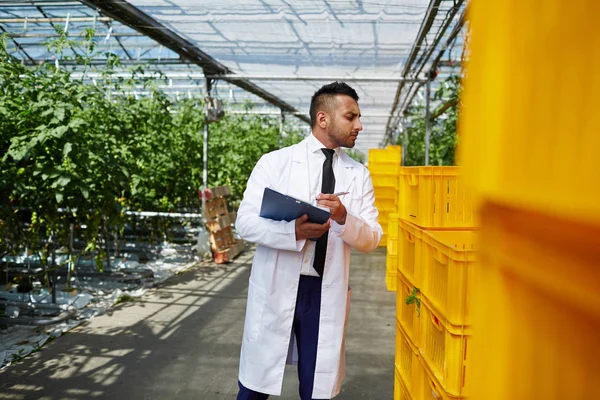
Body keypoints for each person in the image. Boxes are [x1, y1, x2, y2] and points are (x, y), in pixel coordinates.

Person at [235, 82, 383, 400]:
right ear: (323, 118)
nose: (359, 125)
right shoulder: (275, 163)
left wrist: (344, 218)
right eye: (351, 116)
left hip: (323, 291)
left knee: (317, 388)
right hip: (276, 283)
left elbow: (372, 238)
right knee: (253, 387)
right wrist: (294, 233)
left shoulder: (358, 174)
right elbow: (244, 223)